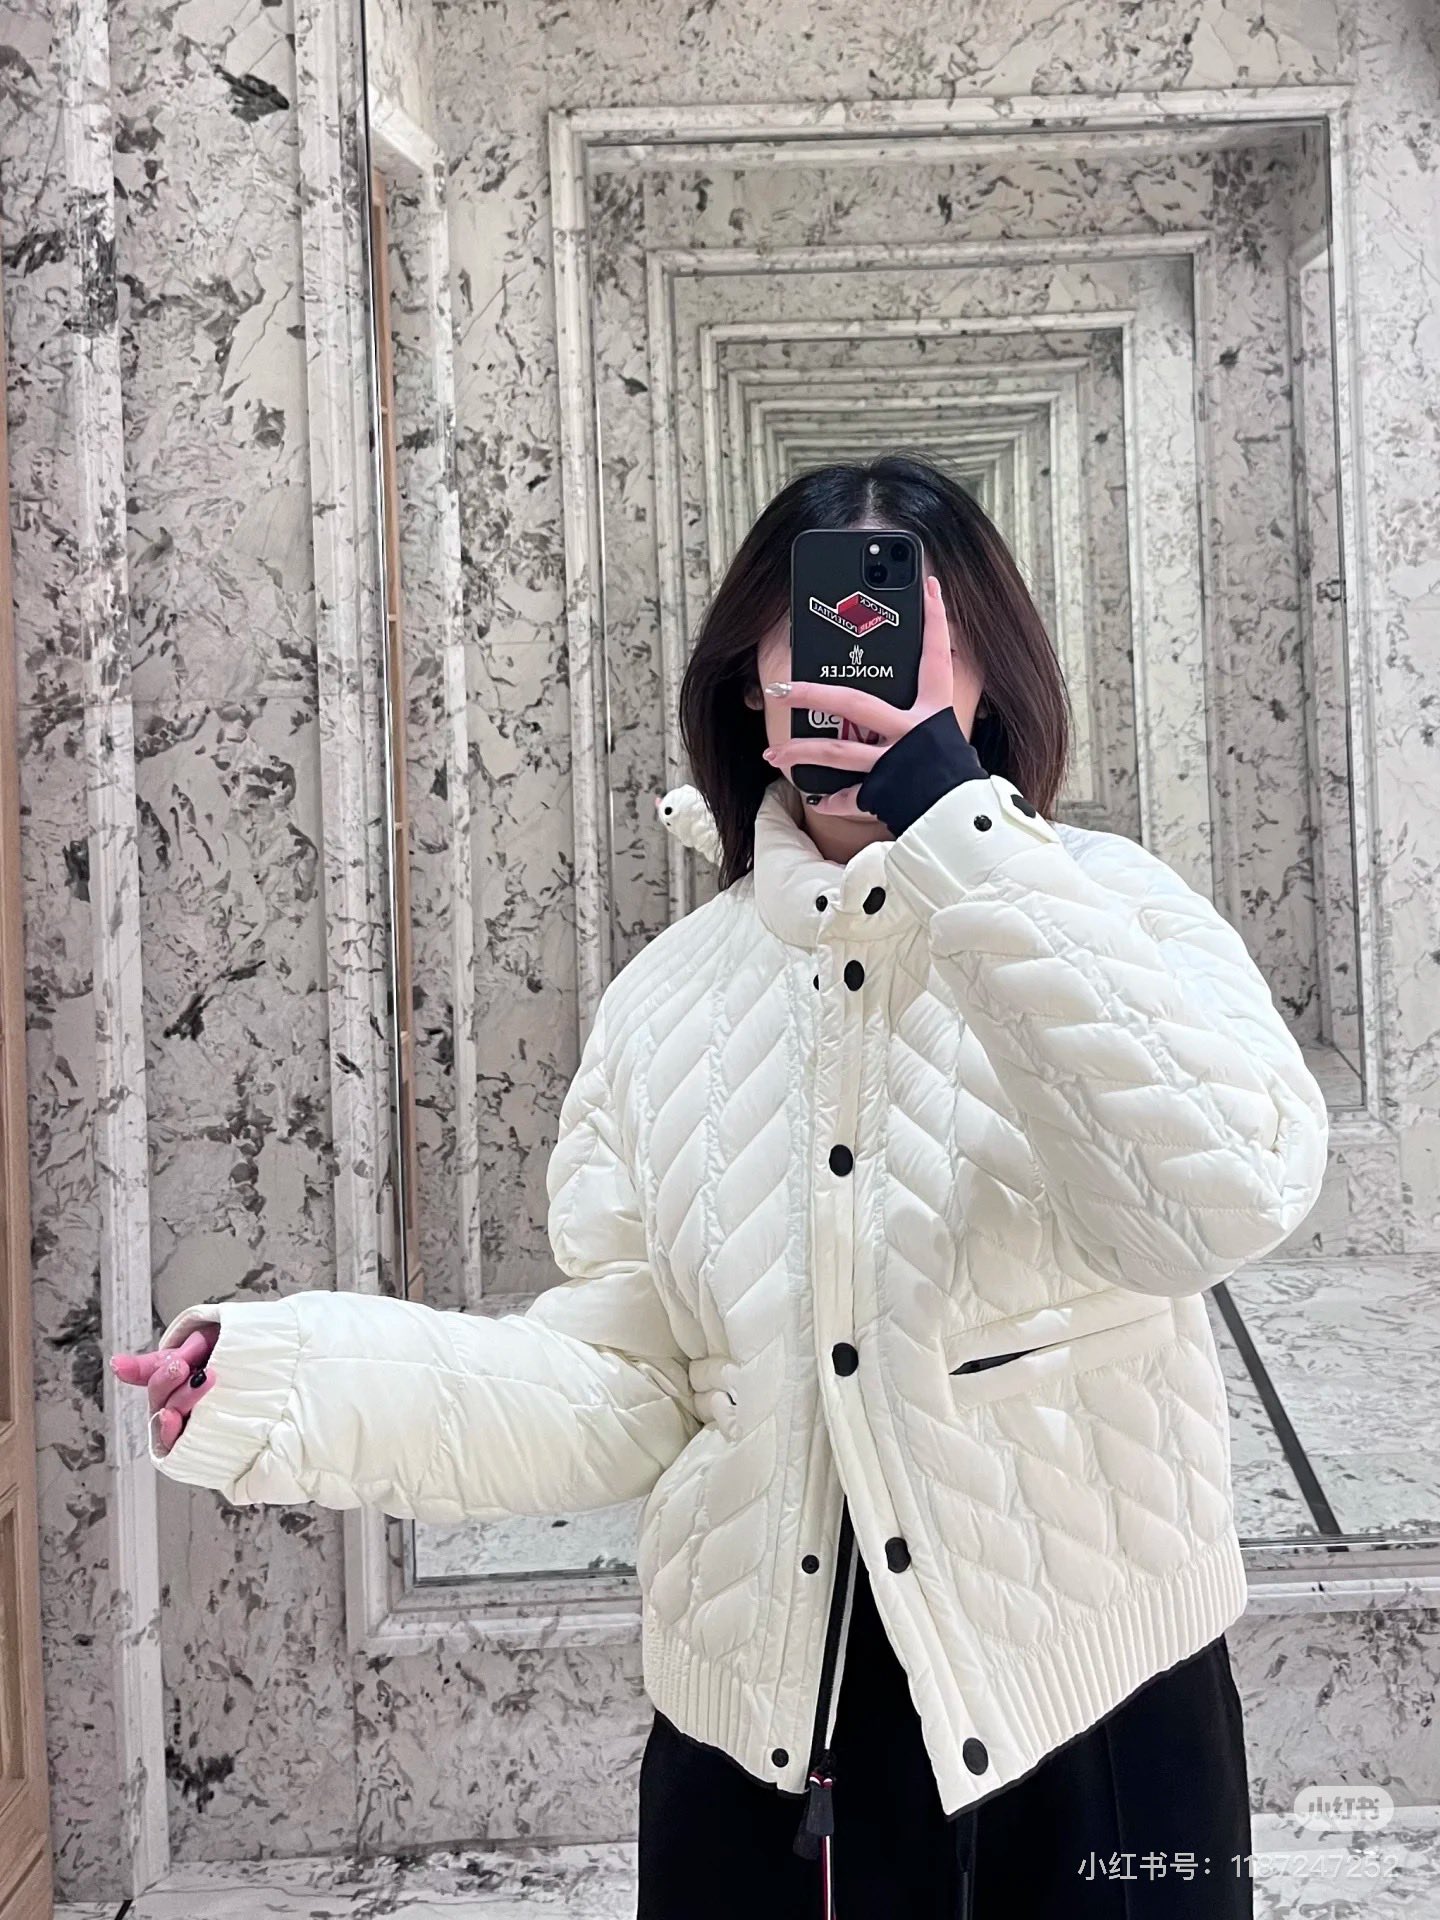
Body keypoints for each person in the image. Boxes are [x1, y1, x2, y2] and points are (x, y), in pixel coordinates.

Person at [113, 456, 1329, 1919]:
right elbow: (625, 1384)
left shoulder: (1116, 907)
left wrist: (956, 830)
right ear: (751, 684)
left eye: (908, 631)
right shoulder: (665, 1002)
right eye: (812, 635)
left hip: (1095, 1725)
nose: (857, 669)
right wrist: (296, 1380)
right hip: (754, 1751)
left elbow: (1222, 1197)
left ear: (987, 667)